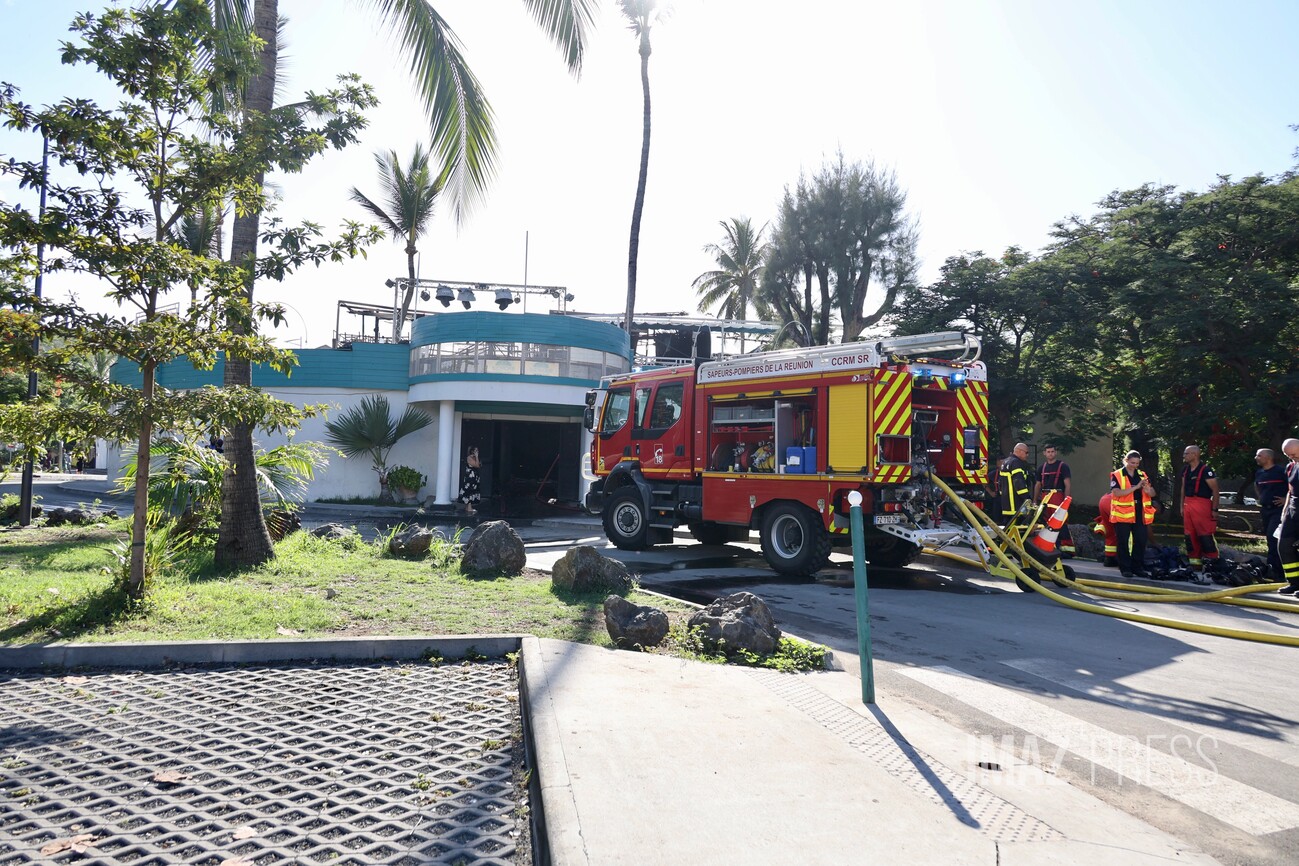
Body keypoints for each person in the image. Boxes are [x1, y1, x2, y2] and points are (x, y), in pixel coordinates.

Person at [1110, 450, 1157, 579]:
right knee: (1123, 541)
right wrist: (1136, 487)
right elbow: (1117, 493)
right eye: (1132, 463)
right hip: (1123, 513)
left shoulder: (1142, 474)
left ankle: (1137, 567)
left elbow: (1153, 494)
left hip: (1139, 511)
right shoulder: (1117, 474)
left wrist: (1148, 490)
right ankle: (1125, 568)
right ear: (1126, 460)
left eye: (1137, 463)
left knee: (1141, 540)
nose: (1134, 465)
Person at [1177, 445, 1220, 573]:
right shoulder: (1186, 470)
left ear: (1194, 455)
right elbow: (1183, 488)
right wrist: (1181, 506)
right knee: (1189, 535)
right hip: (1188, 504)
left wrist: (1215, 509)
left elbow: (1215, 490)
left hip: (1202, 504)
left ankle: (1212, 562)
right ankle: (1195, 563)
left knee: (1205, 534)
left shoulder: (1206, 470)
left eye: (1186, 453)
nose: (1184, 456)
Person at [1252, 448, 1287, 583]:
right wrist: (1261, 497)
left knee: (1274, 539)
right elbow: (1257, 485)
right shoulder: (1259, 472)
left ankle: (1278, 574)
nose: (1256, 458)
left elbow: (1293, 486)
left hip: (1278, 510)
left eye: (1259, 455)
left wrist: (1285, 499)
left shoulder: (1281, 471)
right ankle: (1271, 571)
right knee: (1269, 539)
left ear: (1268, 458)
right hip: (1265, 510)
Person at [1033, 444, 1075, 556]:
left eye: (1052, 451)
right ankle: (1049, 548)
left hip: (1058, 496)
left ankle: (1066, 550)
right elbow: (1038, 485)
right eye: (1048, 451)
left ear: (1055, 453)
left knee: (1061, 523)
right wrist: (1034, 501)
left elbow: (1068, 485)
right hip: (1045, 497)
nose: (1050, 453)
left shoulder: (1063, 466)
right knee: (1046, 523)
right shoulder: (1041, 468)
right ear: (1044, 453)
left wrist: (1066, 501)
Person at [1277, 438, 1299, 595]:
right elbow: (1290, 491)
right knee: (1284, 545)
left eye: (1295, 454)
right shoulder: (1291, 466)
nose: (1292, 458)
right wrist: (1284, 511)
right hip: (1293, 510)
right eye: (1288, 455)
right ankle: (1294, 582)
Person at [998, 442, 1032, 526]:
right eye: (1026, 452)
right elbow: (1019, 483)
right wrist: (1027, 499)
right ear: (1020, 451)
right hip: (1017, 507)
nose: (1027, 455)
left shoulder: (1005, 462)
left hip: (1006, 506)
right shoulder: (1017, 463)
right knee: (1018, 532)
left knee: (1008, 531)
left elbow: (1000, 484)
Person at [1095, 492, 1119, 566]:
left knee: (1110, 531)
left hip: (1105, 499)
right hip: (1114, 502)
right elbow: (1147, 528)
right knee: (1124, 531)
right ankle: (1124, 561)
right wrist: (1154, 543)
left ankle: (1110, 558)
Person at [458, 445, 482, 517]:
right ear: (472, 451)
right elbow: (476, 465)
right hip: (470, 477)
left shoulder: (475, 458)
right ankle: (469, 507)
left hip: (475, 476)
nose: (477, 452)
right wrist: (477, 457)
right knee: (469, 491)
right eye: (476, 451)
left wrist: (477, 458)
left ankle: (468, 506)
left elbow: (479, 465)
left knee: (473, 490)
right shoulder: (469, 458)